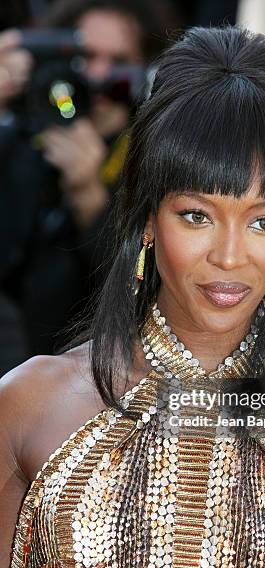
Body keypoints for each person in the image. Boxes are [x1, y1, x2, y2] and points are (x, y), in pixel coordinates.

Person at [0, 26, 265, 568]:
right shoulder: (28, 403)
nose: (231, 255)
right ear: (145, 216)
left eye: (264, 220)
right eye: (197, 216)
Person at [0, 0, 177, 365]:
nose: (97, 77)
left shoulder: (155, 158)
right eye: (86, 57)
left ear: (146, 68)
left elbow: (147, 289)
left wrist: (90, 198)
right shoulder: (19, 136)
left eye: (118, 61)